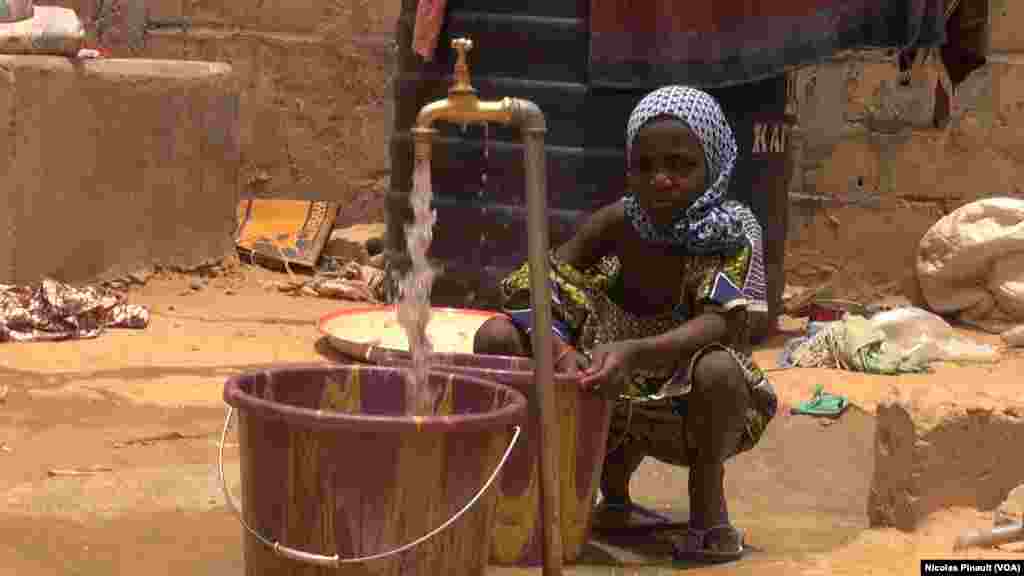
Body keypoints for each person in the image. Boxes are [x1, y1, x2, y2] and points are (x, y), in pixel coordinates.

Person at [472, 85, 779, 563]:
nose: (661, 179)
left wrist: (634, 353)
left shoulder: (732, 234)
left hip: (681, 395)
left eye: (681, 165)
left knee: (719, 370)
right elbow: (539, 278)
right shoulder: (621, 221)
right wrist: (557, 346)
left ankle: (708, 513)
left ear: (714, 166)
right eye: (645, 166)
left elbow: (719, 323)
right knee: (495, 336)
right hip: (595, 378)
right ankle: (525, 497)